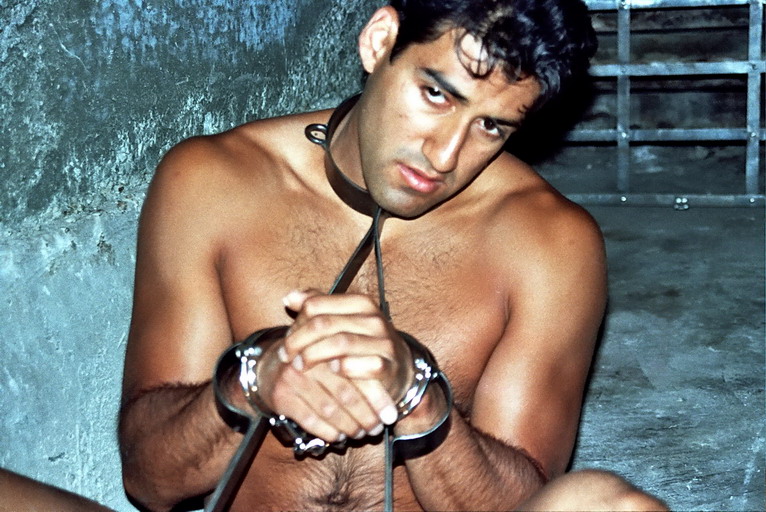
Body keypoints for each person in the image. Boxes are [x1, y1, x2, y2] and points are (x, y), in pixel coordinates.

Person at [118, 1, 668, 511]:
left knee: (608, 503)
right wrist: (255, 379)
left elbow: (522, 500)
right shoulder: (211, 182)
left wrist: (418, 399)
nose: (444, 155)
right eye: (437, 95)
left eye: (490, 125)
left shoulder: (549, 242)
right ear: (380, 40)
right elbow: (149, 480)